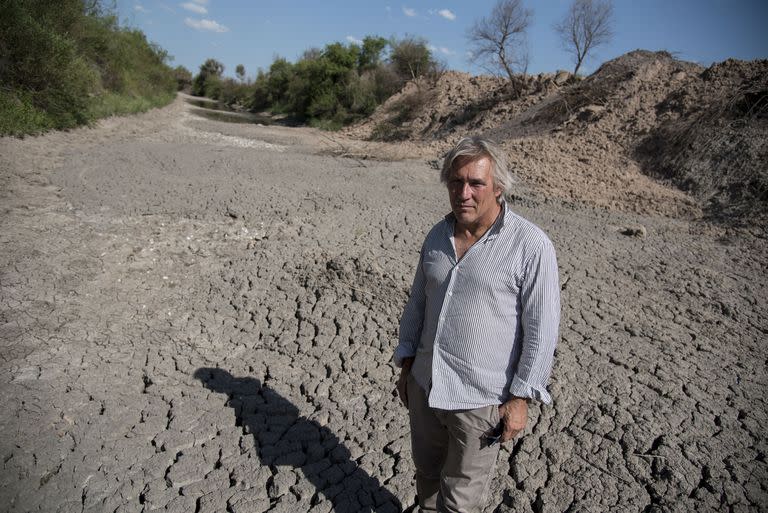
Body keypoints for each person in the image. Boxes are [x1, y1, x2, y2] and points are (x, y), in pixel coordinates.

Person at [394, 136, 560, 512]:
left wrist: (520, 398)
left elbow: (541, 330)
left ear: (498, 188)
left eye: (476, 183)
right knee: (428, 477)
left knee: (461, 501)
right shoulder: (437, 235)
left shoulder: (530, 246)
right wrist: (406, 365)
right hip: (425, 385)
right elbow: (417, 304)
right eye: (455, 181)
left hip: (481, 401)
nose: (463, 193)